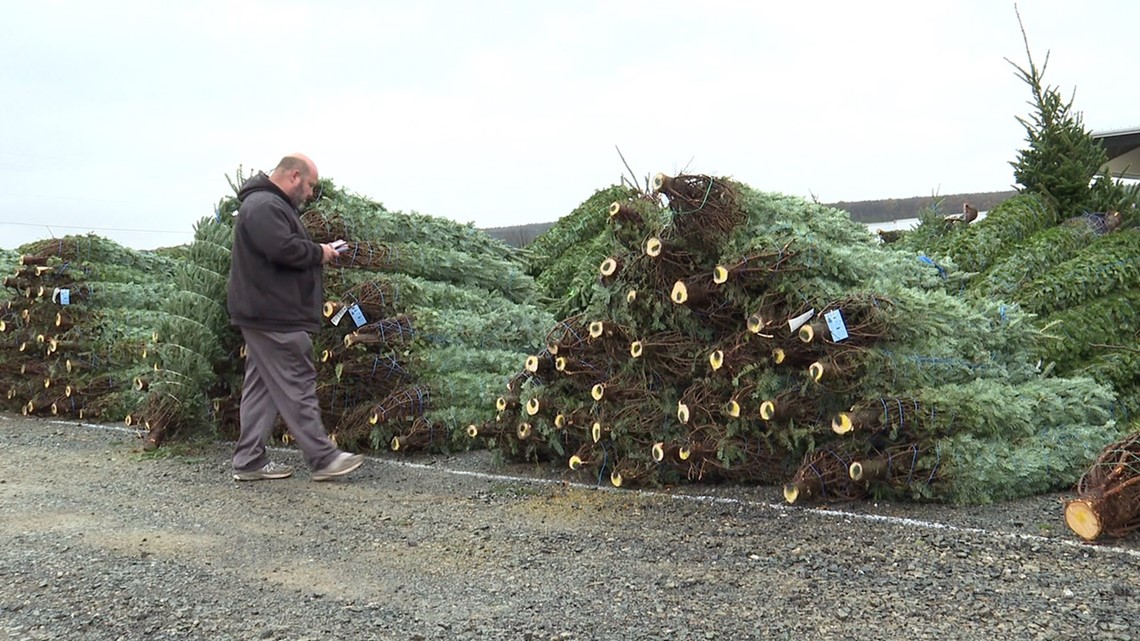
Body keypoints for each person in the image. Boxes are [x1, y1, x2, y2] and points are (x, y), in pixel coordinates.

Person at [226, 153, 364, 482]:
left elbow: (281, 245)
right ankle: (323, 458)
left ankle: (248, 460)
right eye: (310, 185)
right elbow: (282, 249)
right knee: (297, 381)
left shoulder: (267, 205)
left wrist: (318, 247)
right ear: (294, 176)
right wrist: (320, 253)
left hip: (265, 313)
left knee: (261, 388)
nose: (312, 193)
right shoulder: (264, 206)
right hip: (274, 316)